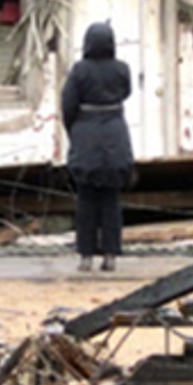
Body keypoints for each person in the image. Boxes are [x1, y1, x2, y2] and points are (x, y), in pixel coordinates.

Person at [61, 22, 134, 272]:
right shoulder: (122, 69)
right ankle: (111, 254)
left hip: (86, 133)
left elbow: (68, 104)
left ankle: (86, 255)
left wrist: (75, 130)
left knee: (86, 198)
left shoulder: (79, 71)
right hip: (115, 133)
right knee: (111, 199)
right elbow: (126, 94)